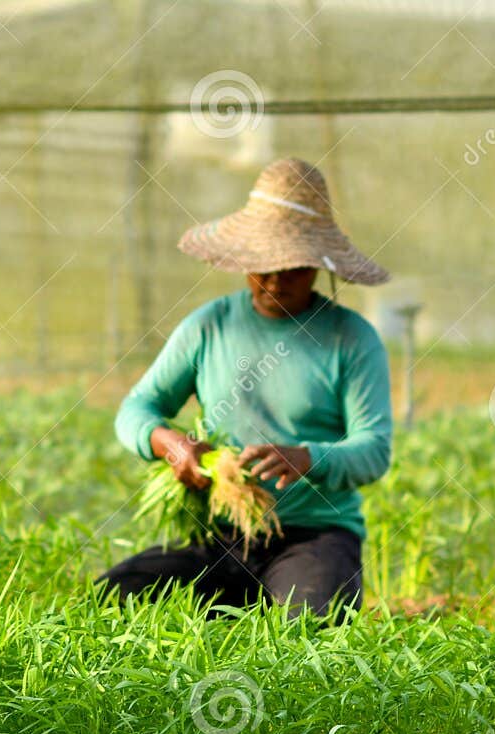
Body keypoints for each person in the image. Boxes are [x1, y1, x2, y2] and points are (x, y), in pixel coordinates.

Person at [100, 157, 392, 618]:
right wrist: (167, 442)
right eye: (261, 265)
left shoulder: (351, 339)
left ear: (318, 265)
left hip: (314, 535)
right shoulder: (210, 327)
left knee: (308, 622)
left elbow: (373, 450)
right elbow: (138, 407)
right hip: (223, 535)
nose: (274, 281)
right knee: (115, 596)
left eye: (292, 267)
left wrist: (308, 458)